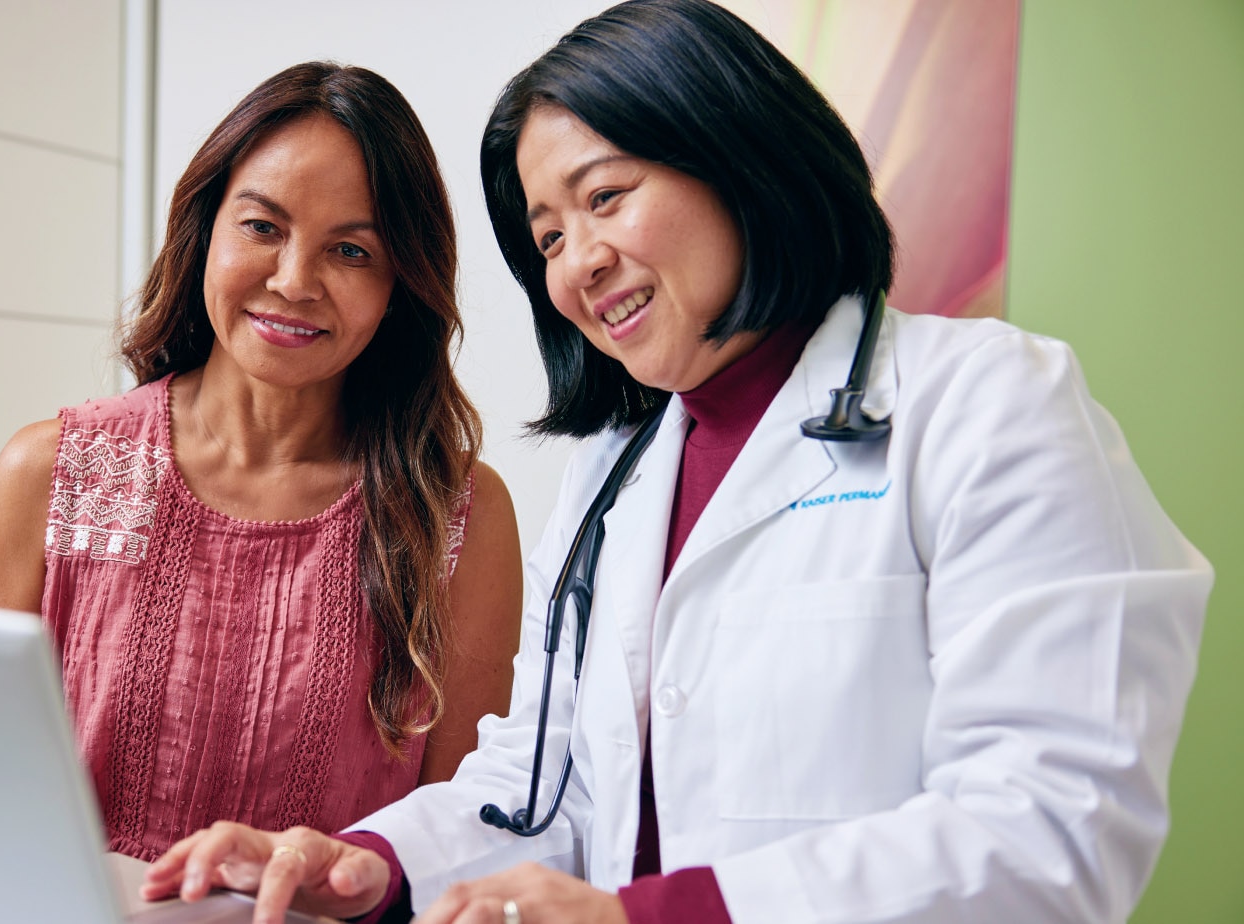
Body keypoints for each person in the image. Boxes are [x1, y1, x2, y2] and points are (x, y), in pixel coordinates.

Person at [139, 3, 1213, 922]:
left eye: (604, 198)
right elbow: (545, 785)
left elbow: (1057, 827)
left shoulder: (988, 405)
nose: (578, 264)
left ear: (737, 155)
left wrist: (650, 914)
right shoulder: (617, 472)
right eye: (547, 237)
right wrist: (367, 864)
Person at [0, 62, 523, 862]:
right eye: (262, 227)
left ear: (401, 283)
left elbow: (459, 843)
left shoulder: (455, 515)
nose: (294, 282)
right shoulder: (51, 474)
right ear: (205, 231)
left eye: (352, 251)